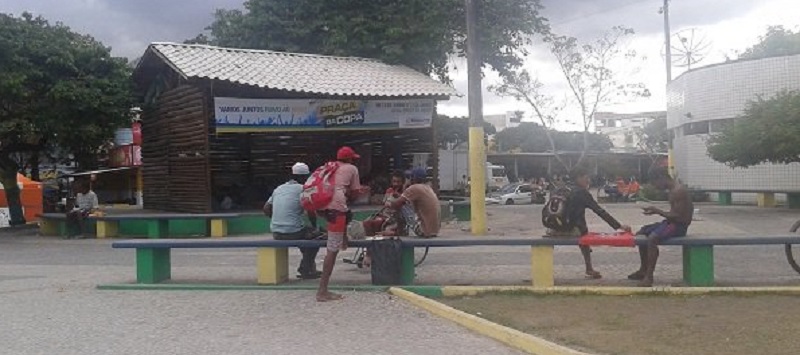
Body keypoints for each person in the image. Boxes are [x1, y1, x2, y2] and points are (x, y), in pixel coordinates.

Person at [544, 169, 631, 279]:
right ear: (578, 178)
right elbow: (599, 211)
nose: (588, 180)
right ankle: (589, 268)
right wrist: (618, 226)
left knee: (577, 230)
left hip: (552, 229)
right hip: (571, 230)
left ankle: (544, 270)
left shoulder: (558, 189)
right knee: (583, 232)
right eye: (586, 177)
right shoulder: (582, 192)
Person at [317, 146, 369, 302]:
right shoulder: (352, 168)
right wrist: (360, 191)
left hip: (323, 206)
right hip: (336, 207)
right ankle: (322, 291)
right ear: (350, 159)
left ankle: (343, 239)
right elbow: (354, 192)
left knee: (347, 215)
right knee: (332, 250)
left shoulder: (329, 167)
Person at [628, 167, 693, 287]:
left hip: (679, 226)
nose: (655, 187)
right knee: (641, 233)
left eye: (655, 183)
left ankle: (649, 277)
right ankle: (643, 269)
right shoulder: (673, 190)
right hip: (671, 222)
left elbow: (678, 216)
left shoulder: (678, 191)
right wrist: (656, 211)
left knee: (653, 238)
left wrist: (657, 211)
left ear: (661, 178)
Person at [263, 162, 322, 280]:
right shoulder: (303, 189)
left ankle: (308, 267)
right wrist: (315, 227)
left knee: (305, 237)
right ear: (304, 177)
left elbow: (266, 208)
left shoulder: (279, 188)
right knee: (317, 237)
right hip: (293, 232)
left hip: (276, 232)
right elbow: (310, 211)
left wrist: (277, 219)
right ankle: (305, 269)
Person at [387, 167, 440, 238]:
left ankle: (400, 232)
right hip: (434, 231)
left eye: (409, 177)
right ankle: (399, 229)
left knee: (401, 206)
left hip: (424, 231)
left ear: (413, 178)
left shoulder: (413, 188)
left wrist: (389, 202)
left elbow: (396, 204)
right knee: (406, 204)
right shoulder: (428, 188)